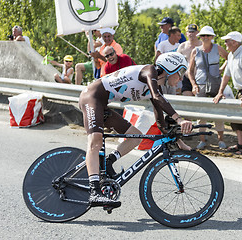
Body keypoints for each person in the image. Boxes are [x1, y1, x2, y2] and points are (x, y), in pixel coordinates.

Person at [78, 52, 192, 207]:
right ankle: (94, 192)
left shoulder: (155, 88)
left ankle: (109, 161)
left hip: (102, 104)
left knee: (136, 137)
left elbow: (160, 122)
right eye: (180, 73)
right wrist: (179, 119)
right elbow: (158, 98)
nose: (180, 79)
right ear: (171, 68)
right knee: (95, 141)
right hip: (91, 97)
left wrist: (177, 140)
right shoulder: (149, 71)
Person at [188, 26, 228, 150]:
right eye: (203, 35)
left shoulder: (218, 48)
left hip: (216, 83)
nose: (205, 38)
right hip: (200, 85)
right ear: (200, 37)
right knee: (201, 114)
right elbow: (190, 71)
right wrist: (194, 85)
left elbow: (229, 59)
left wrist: (222, 69)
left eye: (208, 36)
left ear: (212, 37)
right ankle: (202, 140)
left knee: (218, 112)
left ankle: (221, 139)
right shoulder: (195, 51)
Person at [177, 24, 202, 96]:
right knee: (187, 97)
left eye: (194, 32)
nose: (192, 34)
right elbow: (176, 61)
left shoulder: (202, 45)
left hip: (200, 77)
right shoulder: (182, 46)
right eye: (189, 32)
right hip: (186, 77)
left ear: (198, 33)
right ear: (186, 34)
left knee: (199, 98)